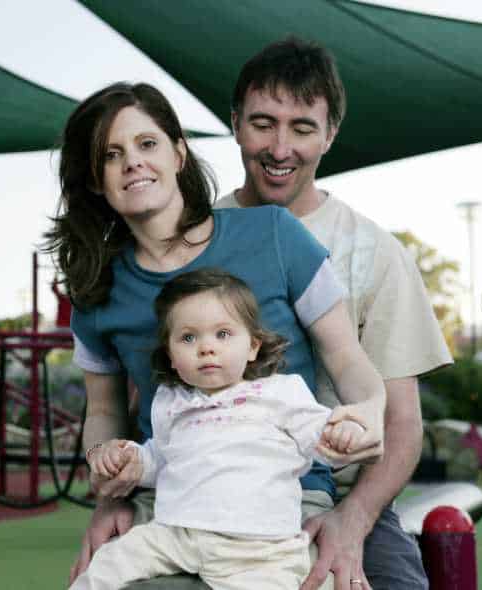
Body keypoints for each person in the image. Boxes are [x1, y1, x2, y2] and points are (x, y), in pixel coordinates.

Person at [44, 81, 386, 590]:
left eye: (147, 143)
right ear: (94, 179)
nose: (133, 162)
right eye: (111, 155)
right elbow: (104, 413)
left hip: (279, 498)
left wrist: (370, 409)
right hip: (170, 498)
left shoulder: (274, 234)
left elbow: (346, 357)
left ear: (178, 152)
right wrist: (106, 470)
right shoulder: (96, 290)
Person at [215, 37, 453, 589]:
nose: (280, 147)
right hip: (207, 490)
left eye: (301, 127)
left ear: (330, 134)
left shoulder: (373, 252)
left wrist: (353, 520)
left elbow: (401, 423)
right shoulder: (193, 236)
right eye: (263, 123)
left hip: (338, 492)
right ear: (235, 124)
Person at [70, 269, 379, 590]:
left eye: (223, 334)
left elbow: (320, 437)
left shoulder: (280, 393)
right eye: (188, 338)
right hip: (176, 534)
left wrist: (343, 436)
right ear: (172, 357)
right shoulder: (171, 401)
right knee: (107, 565)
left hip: (259, 548)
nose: (206, 348)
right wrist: (129, 460)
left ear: (252, 347)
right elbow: (160, 459)